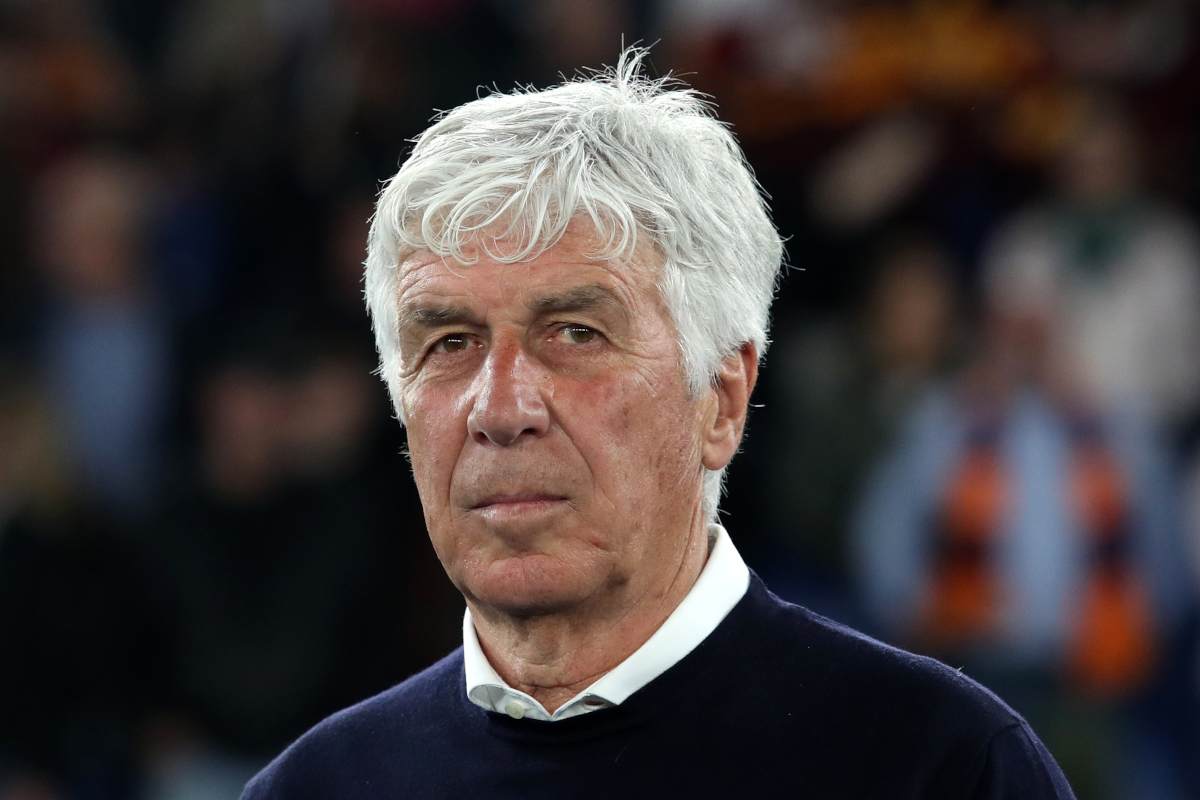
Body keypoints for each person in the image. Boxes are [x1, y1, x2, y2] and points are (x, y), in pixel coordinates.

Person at [241, 49, 1074, 799]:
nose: (499, 408)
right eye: (450, 343)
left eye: (575, 334)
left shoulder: (942, 766)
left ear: (722, 400)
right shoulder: (312, 789)